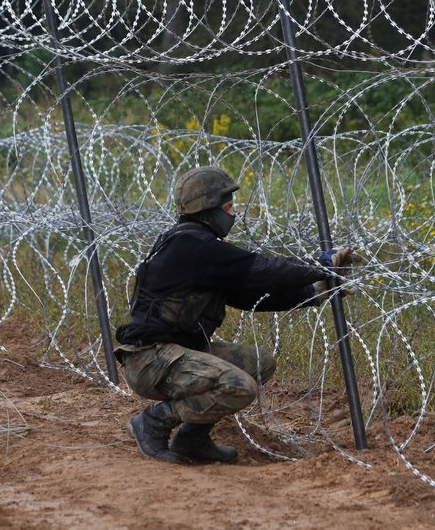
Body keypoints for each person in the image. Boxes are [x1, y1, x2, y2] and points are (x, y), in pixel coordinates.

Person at [114, 165, 359, 464]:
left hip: (172, 354)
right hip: (151, 360)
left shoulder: (197, 248)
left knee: (260, 363)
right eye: (228, 207)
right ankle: (153, 422)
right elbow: (264, 270)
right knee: (239, 386)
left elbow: (250, 296)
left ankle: (193, 439)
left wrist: (317, 291)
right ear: (209, 209)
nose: (232, 214)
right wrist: (320, 264)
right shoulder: (193, 246)